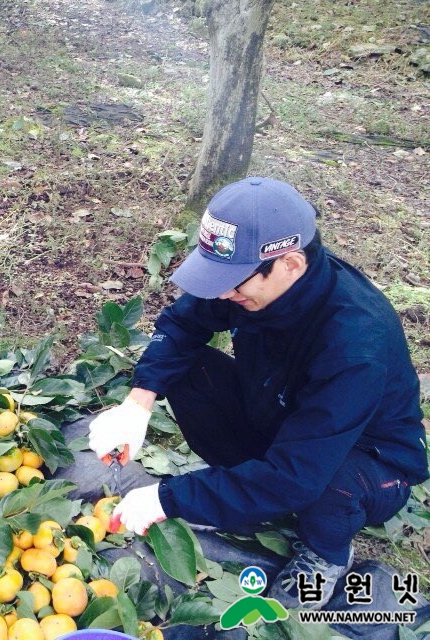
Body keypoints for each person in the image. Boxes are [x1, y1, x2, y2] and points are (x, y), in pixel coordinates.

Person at [88, 177, 428, 610]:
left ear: (290, 264)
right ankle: (249, 491)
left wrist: (168, 498)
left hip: (368, 462)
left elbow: (297, 474)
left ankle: (326, 554)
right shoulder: (249, 280)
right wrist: (138, 402)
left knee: (324, 486)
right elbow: (182, 325)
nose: (225, 293)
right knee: (189, 370)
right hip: (282, 415)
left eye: (235, 283)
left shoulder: (356, 343)